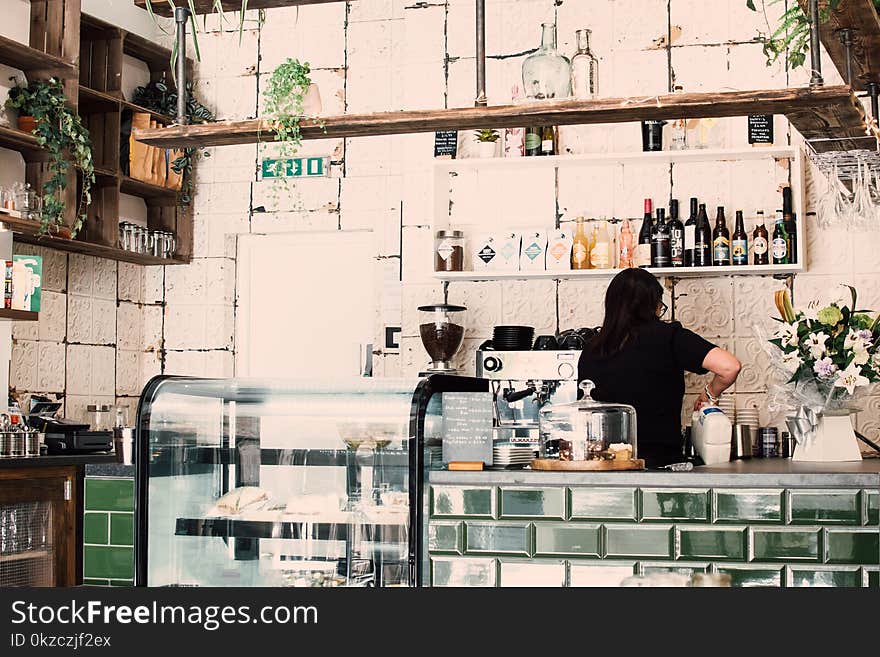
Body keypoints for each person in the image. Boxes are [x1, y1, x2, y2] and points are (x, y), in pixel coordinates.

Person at [577, 268, 741, 468]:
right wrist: (709, 393)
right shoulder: (669, 336)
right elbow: (729, 367)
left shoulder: (592, 348)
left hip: (604, 468)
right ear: (653, 304)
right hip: (661, 467)